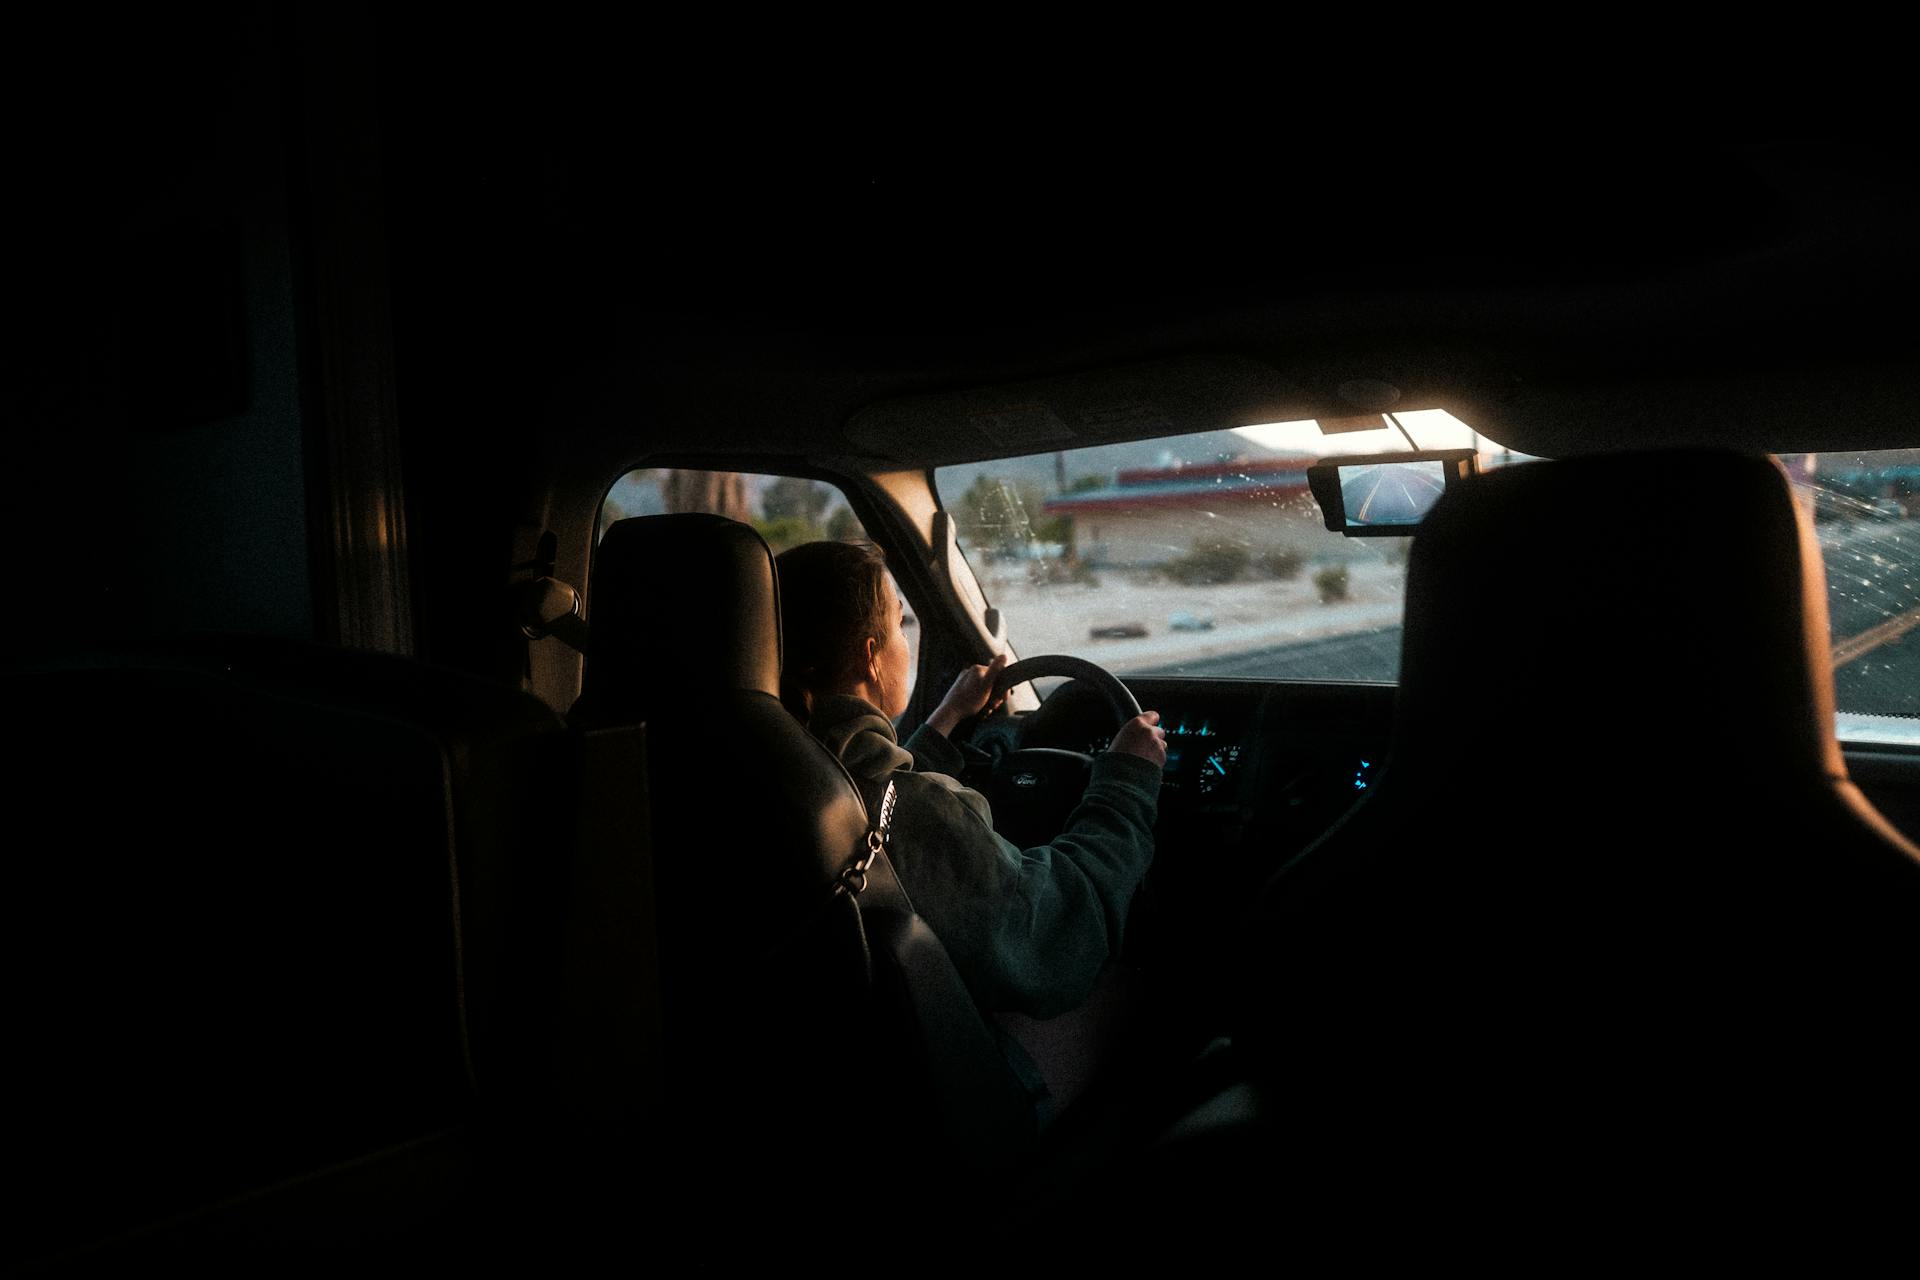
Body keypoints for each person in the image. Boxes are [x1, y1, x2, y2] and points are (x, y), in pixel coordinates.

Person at [774, 540, 1166, 1119]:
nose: (907, 640)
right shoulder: (913, 806)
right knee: (1137, 987)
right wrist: (1126, 783)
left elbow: (879, 799)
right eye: (900, 623)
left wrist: (945, 720)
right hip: (928, 1099)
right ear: (869, 656)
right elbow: (1054, 938)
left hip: (823, 1066)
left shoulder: (776, 767)